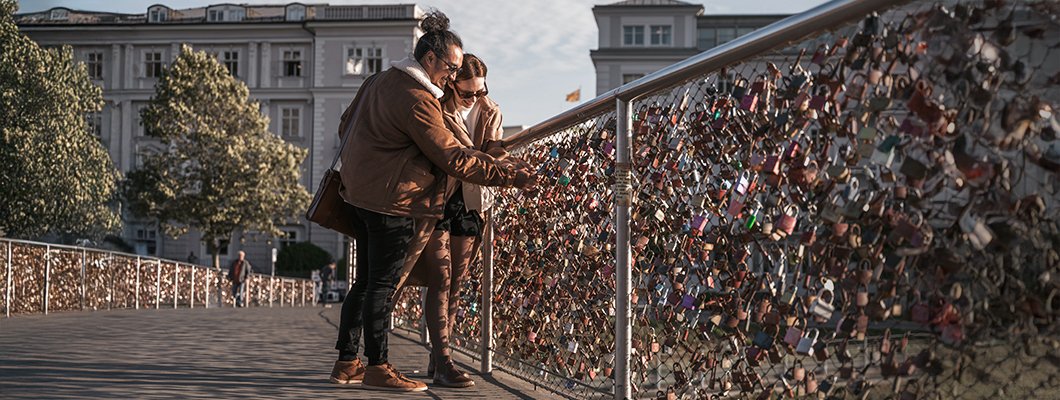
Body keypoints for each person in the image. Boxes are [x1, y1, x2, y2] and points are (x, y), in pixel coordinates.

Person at [327, 11, 536, 392]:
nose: (453, 77)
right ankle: (378, 367)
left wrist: (381, 154)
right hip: (392, 201)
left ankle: (346, 361)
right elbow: (452, 158)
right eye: (452, 68)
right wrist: (511, 176)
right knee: (383, 286)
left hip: (357, 194)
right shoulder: (418, 99)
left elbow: (345, 123)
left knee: (366, 282)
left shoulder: (378, 80)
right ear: (430, 60)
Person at [416, 54, 500, 388]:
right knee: (440, 278)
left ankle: (438, 357)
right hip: (438, 197)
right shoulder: (435, 107)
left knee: (456, 283)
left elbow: (493, 157)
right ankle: (445, 361)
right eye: (468, 94)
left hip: (471, 202)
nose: (475, 99)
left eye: (481, 91)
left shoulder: (490, 110)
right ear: (451, 84)